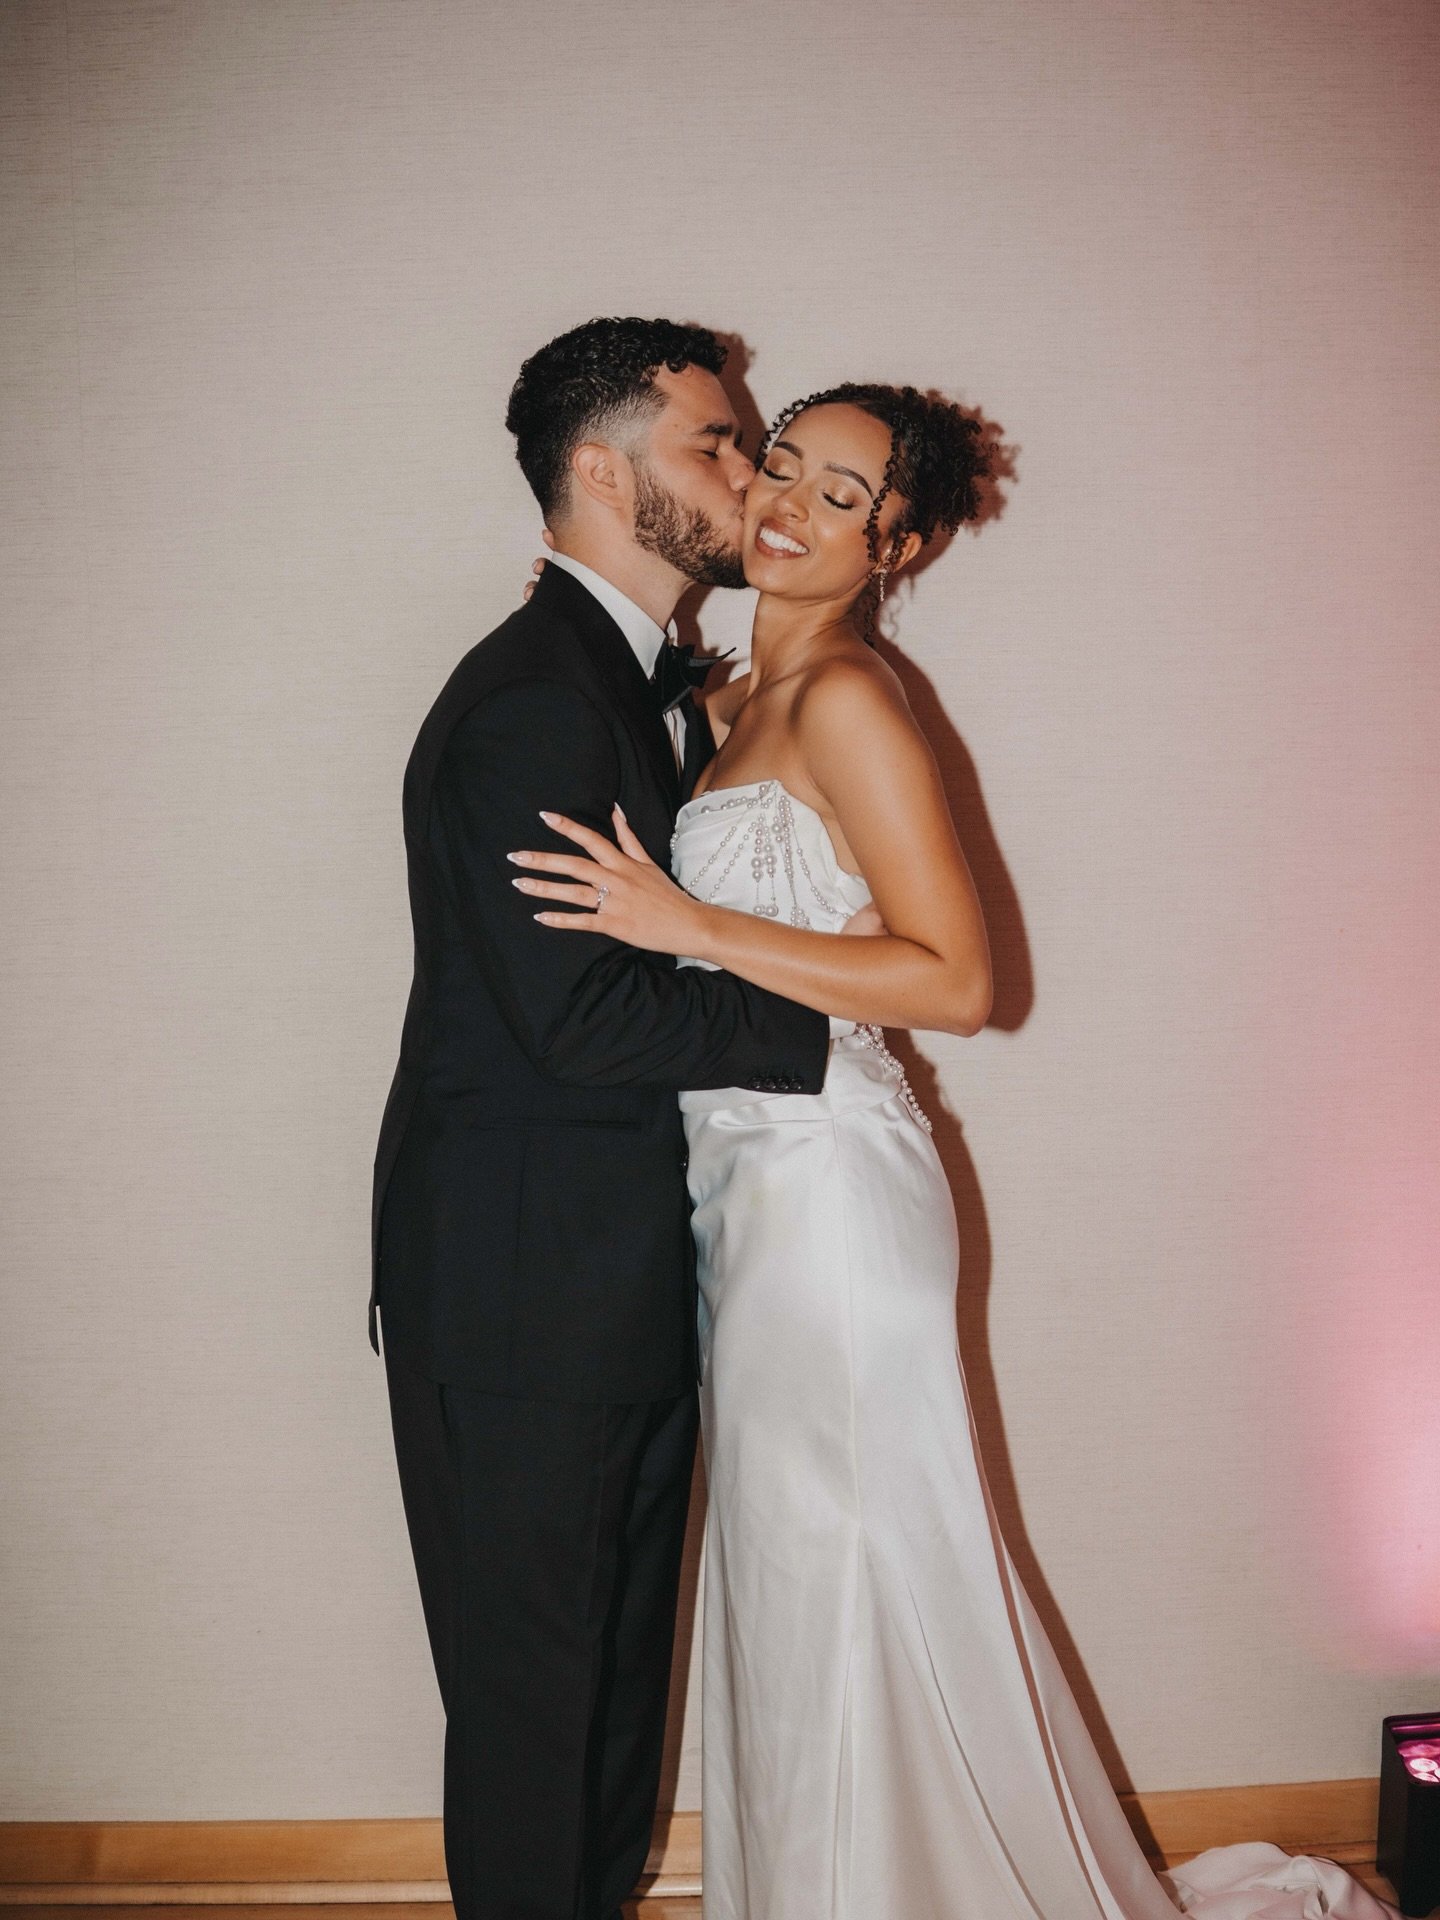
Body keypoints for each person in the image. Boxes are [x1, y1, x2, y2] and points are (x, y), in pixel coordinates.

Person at [511, 385, 1397, 1918]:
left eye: (843, 497)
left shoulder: (852, 695)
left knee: (840, 1573)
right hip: (748, 1188)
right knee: (801, 1587)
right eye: (781, 462)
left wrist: (687, 921)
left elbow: (963, 983)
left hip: (829, 1198)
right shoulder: (737, 704)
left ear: (896, 541)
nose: (787, 502)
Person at [370, 317, 834, 1920]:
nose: (747, 470)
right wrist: (826, 1027)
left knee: (610, 1709)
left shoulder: (625, 686)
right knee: (536, 1716)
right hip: (522, 1301)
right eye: (715, 442)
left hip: (610, 1286)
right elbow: (579, 1018)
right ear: (596, 467)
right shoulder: (531, 704)